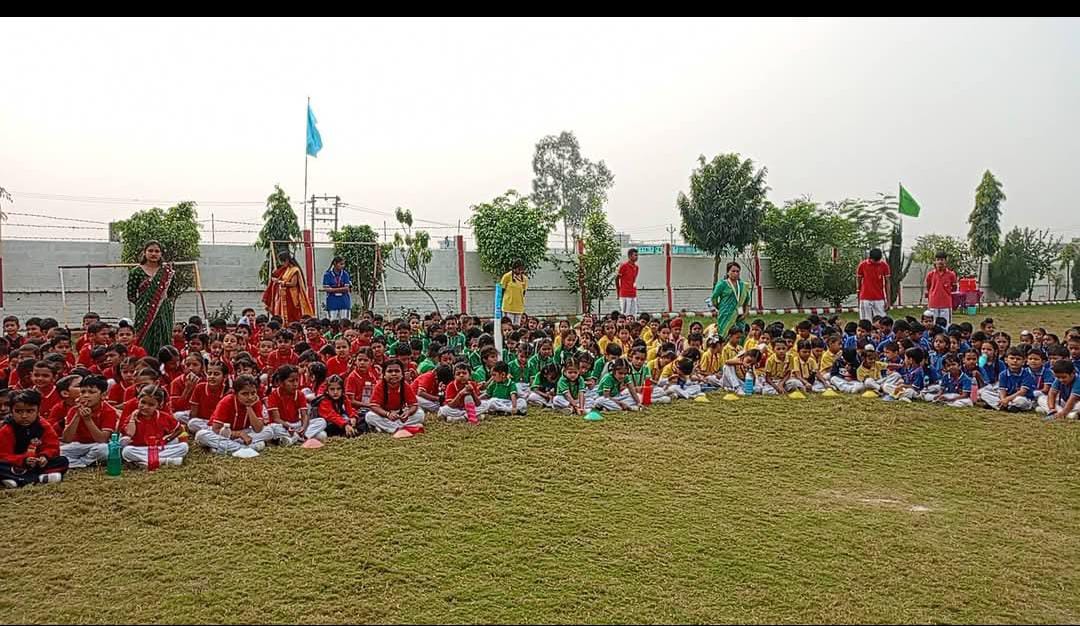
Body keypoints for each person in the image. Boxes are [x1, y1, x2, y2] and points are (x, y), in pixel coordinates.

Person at [0, 389, 68, 487]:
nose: (24, 416)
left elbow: (52, 447)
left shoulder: (44, 426)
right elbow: (3, 455)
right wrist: (23, 460)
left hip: (38, 463)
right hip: (16, 464)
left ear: (38, 411)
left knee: (62, 461)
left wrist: (44, 456)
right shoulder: (7, 429)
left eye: (30, 411)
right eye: (18, 411)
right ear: (11, 411)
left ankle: (18, 479)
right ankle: (39, 477)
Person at [126, 240, 180, 358]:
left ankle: (164, 363)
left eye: (157, 251)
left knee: (164, 335)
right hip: (144, 313)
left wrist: (160, 303)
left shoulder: (167, 272)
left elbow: (172, 293)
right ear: (144, 253)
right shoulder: (136, 272)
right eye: (150, 251)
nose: (153, 254)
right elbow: (131, 295)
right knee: (144, 338)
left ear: (161, 254)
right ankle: (144, 363)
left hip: (163, 310)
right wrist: (146, 304)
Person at [121, 385, 188, 468]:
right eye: (143, 402)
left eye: (151, 405)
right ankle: (163, 461)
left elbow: (180, 429)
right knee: (126, 451)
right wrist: (132, 418)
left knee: (184, 447)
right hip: (140, 448)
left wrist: (167, 439)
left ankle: (145, 462)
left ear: (159, 406)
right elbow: (129, 433)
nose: (145, 407)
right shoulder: (133, 417)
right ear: (138, 400)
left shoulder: (164, 416)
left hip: (158, 448)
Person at [60, 375, 118, 468]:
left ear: (103, 395)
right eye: (83, 392)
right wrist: (77, 415)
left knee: (105, 450)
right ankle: (83, 463)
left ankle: (81, 462)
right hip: (78, 445)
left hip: (97, 445)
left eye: (91, 392)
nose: (86, 395)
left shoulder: (109, 411)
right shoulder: (74, 410)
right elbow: (66, 439)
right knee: (59, 452)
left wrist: (88, 420)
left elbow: (102, 439)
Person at [364, 359, 426, 439]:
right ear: (384, 375)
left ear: (402, 374)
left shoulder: (405, 385)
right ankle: (402, 428)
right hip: (385, 415)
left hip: (400, 415)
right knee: (369, 416)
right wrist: (387, 414)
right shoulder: (380, 386)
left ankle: (391, 428)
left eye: (397, 371)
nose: (393, 374)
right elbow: (373, 406)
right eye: (390, 371)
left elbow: (414, 405)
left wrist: (408, 413)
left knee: (420, 414)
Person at [262, 251, 314, 324]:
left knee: (292, 315)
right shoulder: (285, 269)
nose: (281, 264)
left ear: (287, 260)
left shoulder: (294, 270)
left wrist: (280, 282)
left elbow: (293, 283)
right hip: (284, 296)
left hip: (292, 296)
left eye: (282, 262)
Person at [710, 262, 751, 338]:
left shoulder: (743, 285)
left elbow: (747, 300)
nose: (736, 273)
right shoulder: (722, 284)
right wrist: (720, 307)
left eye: (737, 271)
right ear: (728, 272)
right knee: (724, 335)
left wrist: (745, 313)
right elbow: (714, 298)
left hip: (739, 313)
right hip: (726, 314)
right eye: (733, 271)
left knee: (739, 336)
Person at [856, 248, 891, 321]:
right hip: (865, 298)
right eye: (874, 261)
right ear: (870, 258)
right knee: (866, 322)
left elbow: (887, 282)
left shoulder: (884, 265)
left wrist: (888, 301)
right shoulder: (862, 265)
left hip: (879, 298)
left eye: (878, 261)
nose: (876, 262)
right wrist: (859, 296)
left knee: (882, 321)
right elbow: (858, 281)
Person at [925, 252, 958, 325]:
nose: (940, 262)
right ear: (935, 261)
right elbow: (928, 287)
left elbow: (954, 288)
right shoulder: (930, 274)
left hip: (946, 305)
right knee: (933, 325)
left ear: (946, 261)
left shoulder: (951, 274)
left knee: (946, 325)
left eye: (942, 260)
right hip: (933, 304)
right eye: (938, 260)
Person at [322, 256, 352, 321]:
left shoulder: (345, 274)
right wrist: (341, 289)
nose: (343, 266)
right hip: (332, 303)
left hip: (344, 302)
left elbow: (346, 289)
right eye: (341, 264)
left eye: (343, 264)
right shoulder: (327, 275)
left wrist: (332, 289)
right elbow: (327, 289)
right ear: (335, 263)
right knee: (332, 321)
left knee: (345, 322)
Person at [499, 260, 528, 326]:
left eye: (521, 269)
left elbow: (524, 292)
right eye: (518, 269)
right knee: (509, 325)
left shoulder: (525, 279)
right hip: (508, 307)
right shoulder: (507, 276)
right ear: (514, 268)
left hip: (519, 307)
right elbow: (502, 290)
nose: (520, 271)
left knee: (517, 326)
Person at [616, 249, 640, 316]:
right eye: (635, 255)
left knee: (634, 314)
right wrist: (618, 292)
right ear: (629, 256)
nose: (637, 257)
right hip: (624, 294)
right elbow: (617, 279)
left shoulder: (636, 267)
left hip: (633, 294)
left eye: (637, 255)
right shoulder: (624, 266)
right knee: (625, 314)